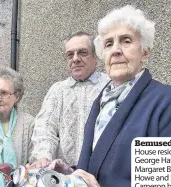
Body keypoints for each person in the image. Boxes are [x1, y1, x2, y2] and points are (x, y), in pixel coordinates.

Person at [46, 5, 171, 187]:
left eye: (126, 40)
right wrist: (71, 172)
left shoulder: (166, 100)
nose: (115, 50)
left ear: (145, 50)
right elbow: (105, 170)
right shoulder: (101, 101)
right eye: (108, 43)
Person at [27, 31, 109, 169]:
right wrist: (44, 156)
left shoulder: (109, 85)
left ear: (95, 57)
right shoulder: (58, 90)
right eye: (70, 55)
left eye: (82, 52)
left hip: (102, 173)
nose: (75, 59)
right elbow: (45, 128)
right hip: (66, 174)